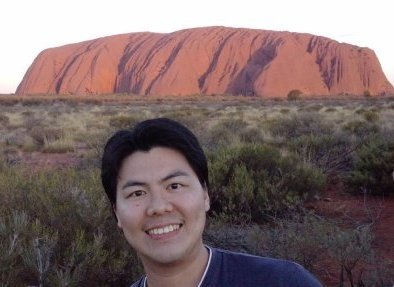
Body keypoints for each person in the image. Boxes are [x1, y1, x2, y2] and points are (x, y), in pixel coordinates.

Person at [101, 118, 322, 287]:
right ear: (117, 213)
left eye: (174, 186)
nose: (158, 207)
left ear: (205, 195)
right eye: (137, 193)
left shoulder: (281, 282)